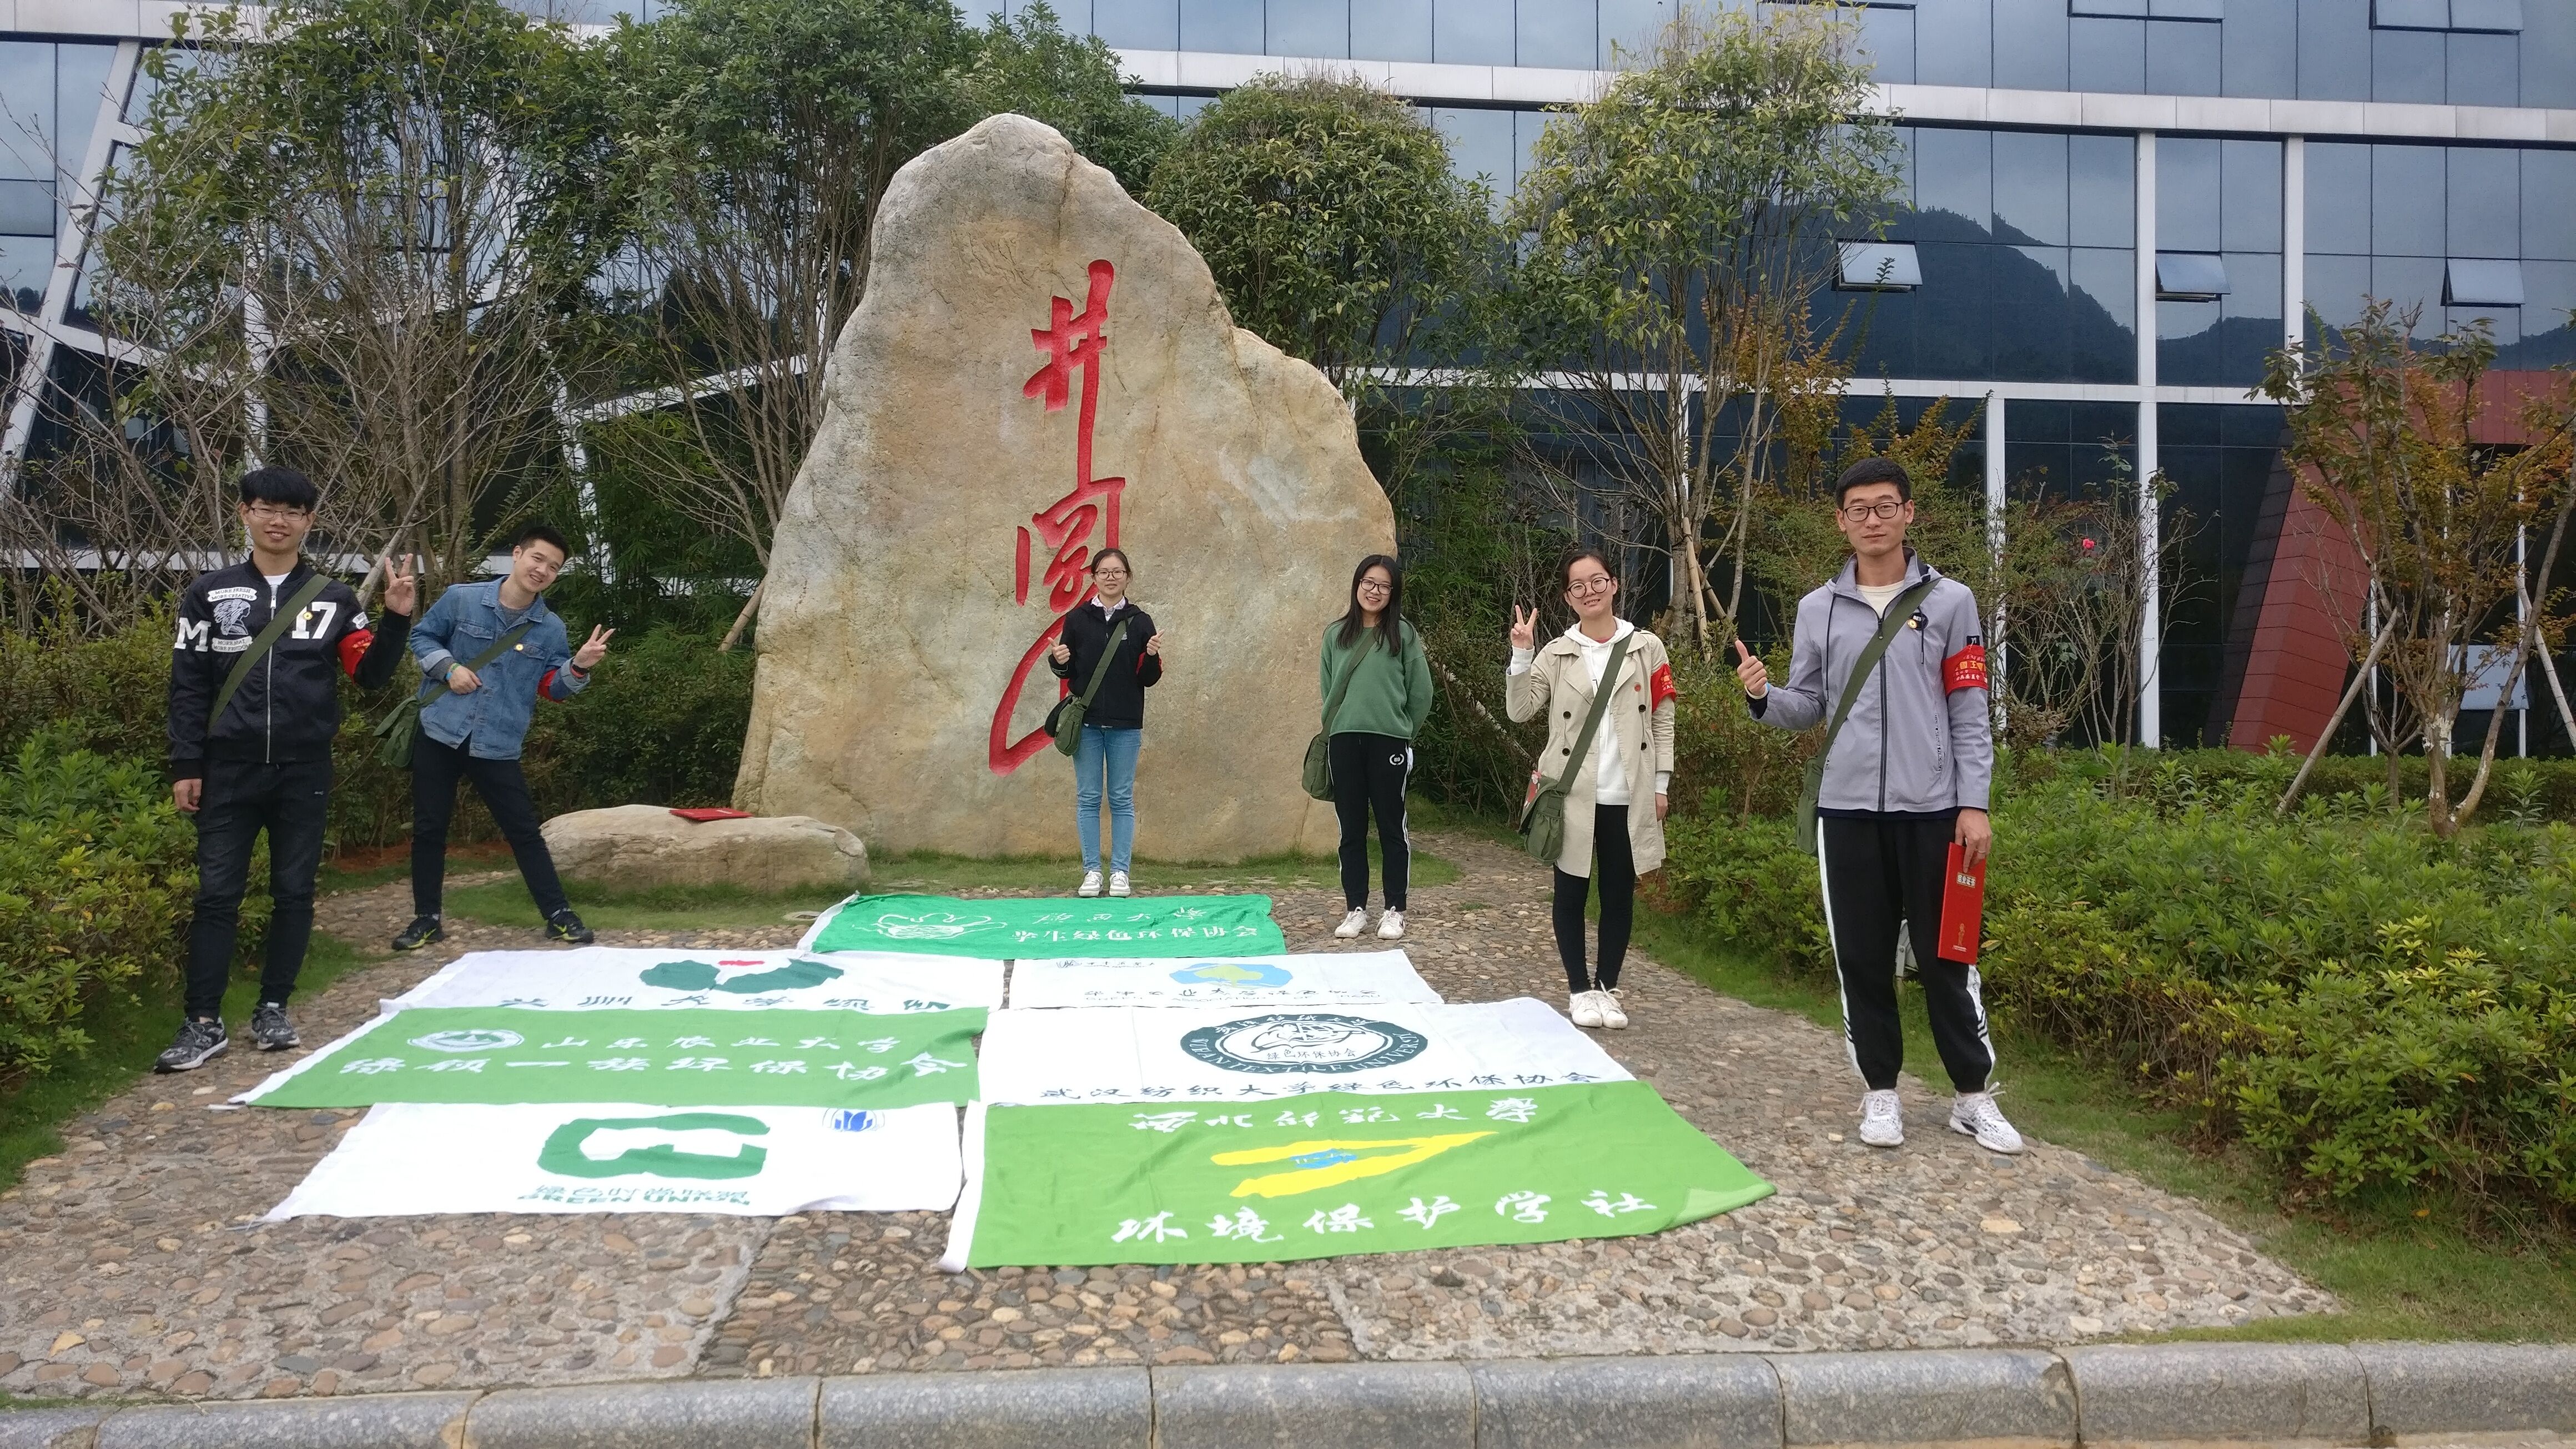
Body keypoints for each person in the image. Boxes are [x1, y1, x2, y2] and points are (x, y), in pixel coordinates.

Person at [1733, 456, 2021, 1155]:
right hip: (1847, 812)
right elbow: (1809, 705)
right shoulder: (1817, 608)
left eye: (1884, 506)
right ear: (1840, 521)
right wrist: (1762, 697)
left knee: (1948, 955)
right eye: (1857, 509)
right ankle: (1880, 1091)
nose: (1871, 519)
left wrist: (1973, 803)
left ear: (1907, 513)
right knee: (1860, 957)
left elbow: (1968, 709)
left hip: (1934, 811)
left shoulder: (1951, 602)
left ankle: (1971, 1096)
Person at [159, 466, 416, 1071]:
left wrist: (397, 619)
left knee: (294, 892)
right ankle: (202, 1022)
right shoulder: (209, 592)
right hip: (227, 768)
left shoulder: (334, 599)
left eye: (292, 512)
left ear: (309, 521)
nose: (279, 521)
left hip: (304, 770)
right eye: (266, 508)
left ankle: (273, 1008)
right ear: (245, 513)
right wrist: (186, 762)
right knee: (216, 895)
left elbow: (370, 676)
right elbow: (189, 684)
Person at [393, 521, 613, 952]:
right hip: (440, 731)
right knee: (429, 829)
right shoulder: (461, 599)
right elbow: (422, 636)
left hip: (497, 742)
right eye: (537, 558)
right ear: (517, 554)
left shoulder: (550, 628)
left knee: (523, 831)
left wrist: (579, 666)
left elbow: (552, 688)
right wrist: (449, 669)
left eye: (553, 567)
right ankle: (426, 919)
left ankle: (558, 915)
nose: (542, 570)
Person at [1505, 547, 1676, 1030]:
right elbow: (1521, 711)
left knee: (1619, 894)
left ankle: (1608, 988)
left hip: (1628, 792)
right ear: (1567, 597)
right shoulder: (1556, 653)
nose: (1590, 592)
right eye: (1577, 586)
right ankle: (1580, 989)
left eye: (1598, 581)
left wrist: (1661, 784)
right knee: (1571, 892)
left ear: (1614, 585)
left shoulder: (1647, 648)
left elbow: (1663, 719)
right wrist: (1522, 653)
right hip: (1572, 793)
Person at [1320, 555, 1434, 942]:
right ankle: (1355, 908)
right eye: (1369, 583)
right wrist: (1338, 726)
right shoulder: (1336, 634)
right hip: (1344, 740)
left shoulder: (1403, 634)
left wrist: (1402, 731)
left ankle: (1395, 910)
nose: (1375, 591)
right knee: (1350, 830)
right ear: (1357, 585)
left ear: (1393, 593)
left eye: (1384, 586)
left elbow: (1421, 692)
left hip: (1390, 741)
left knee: (1391, 827)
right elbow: (1328, 690)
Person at [1046, 548, 1164, 897]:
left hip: (1126, 724)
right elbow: (1069, 672)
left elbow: (1147, 679)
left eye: (1117, 572)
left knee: (1122, 798)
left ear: (1128, 577)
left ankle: (1121, 873)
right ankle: (1092, 872)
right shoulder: (1078, 619)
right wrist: (1059, 661)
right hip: (1087, 723)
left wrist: (1152, 656)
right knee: (1088, 797)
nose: (1111, 578)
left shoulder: (1140, 621)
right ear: (1094, 577)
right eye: (1104, 572)